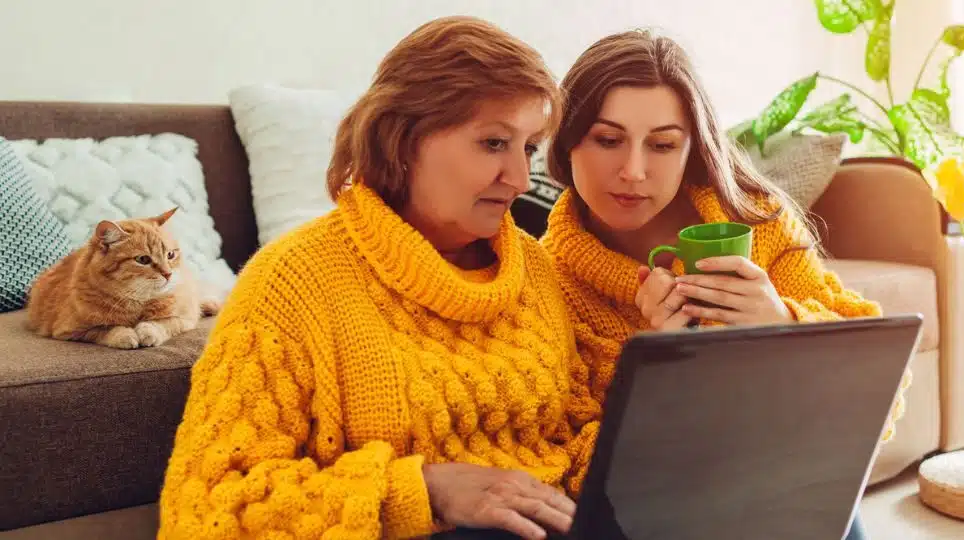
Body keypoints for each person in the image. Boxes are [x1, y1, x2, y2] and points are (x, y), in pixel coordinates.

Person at [158, 16, 591, 540]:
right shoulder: (292, 280)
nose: (520, 180)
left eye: (528, 148)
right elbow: (204, 512)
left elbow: (575, 433)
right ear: (402, 140)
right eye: (494, 144)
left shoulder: (535, 269)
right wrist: (421, 489)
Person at [541, 30, 912, 540]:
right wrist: (659, 373)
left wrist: (783, 324)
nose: (633, 171)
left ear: (692, 148)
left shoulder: (756, 221)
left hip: (783, 485)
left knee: (819, 498)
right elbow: (572, 476)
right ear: (566, 140)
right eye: (608, 140)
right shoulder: (545, 278)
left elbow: (878, 394)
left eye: (663, 145)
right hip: (659, 518)